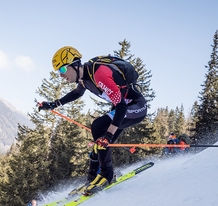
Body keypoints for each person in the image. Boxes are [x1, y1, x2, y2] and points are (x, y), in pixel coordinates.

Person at [39, 46, 147, 190]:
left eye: (63, 70)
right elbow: (76, 93)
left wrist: (108, 135)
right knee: (98, 145)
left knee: (98, 126)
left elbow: (121, 106)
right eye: (58, 72)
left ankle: (107, 175)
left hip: (135, 107)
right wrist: (54, 104)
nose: (61, 75)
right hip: (122, 108)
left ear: (75, 65)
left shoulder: (99, 74)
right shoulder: (85, 78)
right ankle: (92, 178)